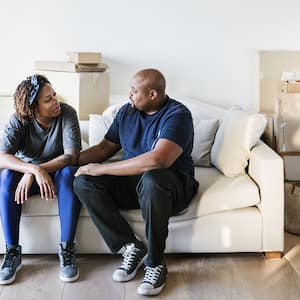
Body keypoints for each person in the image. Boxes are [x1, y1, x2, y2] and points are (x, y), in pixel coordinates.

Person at [73, 68, 199, 296]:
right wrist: (69, 161)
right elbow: (104, 149)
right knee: (84, 181)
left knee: (152, 179)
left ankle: (156, 263)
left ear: (153, 94)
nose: (129, 95)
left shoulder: (177, 115)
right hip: (136, 185)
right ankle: (130, 246)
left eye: (134, 91)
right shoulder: (127, 112)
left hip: (172, 186)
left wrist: (102, 169)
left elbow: (158, 160)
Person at [0, 74, 82, 284]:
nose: (56, 101)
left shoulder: (67, 113)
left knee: (69, 172)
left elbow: (71, 156)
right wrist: (32, 171)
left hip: (56, 172)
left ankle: (67, 250)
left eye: (54, 95)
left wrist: (36, 170)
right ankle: (12, 252)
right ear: (33, 108)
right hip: (28, 175)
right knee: (8, 176)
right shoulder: (19, 119)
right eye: (48, 99)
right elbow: (2, 157)